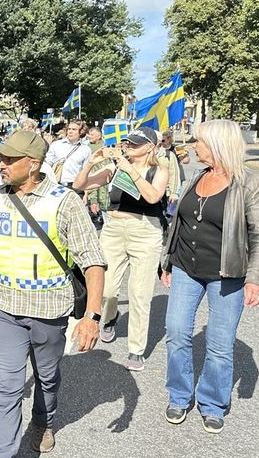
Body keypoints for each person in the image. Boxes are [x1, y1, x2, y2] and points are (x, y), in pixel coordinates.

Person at [0, 131, 106, 456]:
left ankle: (43, 422)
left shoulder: (64, 201)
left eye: (9, 159)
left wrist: (92, 317)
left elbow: (93, 262)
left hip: (49, 312)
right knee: (7, 387)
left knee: (47, 377)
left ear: (32, 164)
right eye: (1, 158)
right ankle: (5, 453)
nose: (1, 165)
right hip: (5, 310)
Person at [160, 120, 259, 434]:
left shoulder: (250, 184)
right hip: (185, 268)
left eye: (199, 141)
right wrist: (167, 262)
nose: (194, 146)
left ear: (218, 145)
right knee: (176, 332)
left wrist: (256, 278)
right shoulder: (197, 176)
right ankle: (179, 396)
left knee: (220, 344)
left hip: (227, 275)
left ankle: (212, 403)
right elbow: (179, 224)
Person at [73, 127, 168, 371]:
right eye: (128, 143)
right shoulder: (115, 168)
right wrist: (91, 162)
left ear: (150, 147)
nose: (129, 147)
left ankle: (136, 349)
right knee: (105, 288)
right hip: (113, 228)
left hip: (145, 231)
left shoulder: (159, 170)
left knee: (139, 293)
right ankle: (110, 316)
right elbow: (79, 184)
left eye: (135, 144)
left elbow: (153, 197)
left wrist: (131, 171)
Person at [45, 119, 91, 189]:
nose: (70, 131)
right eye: (69, 129)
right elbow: (48, 163)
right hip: (56, 184)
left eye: (74, 129)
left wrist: (86, 191)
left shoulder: (85, 150)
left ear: (81, 132)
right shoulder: (56, 145)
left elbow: (86, 171)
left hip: (75, 186)